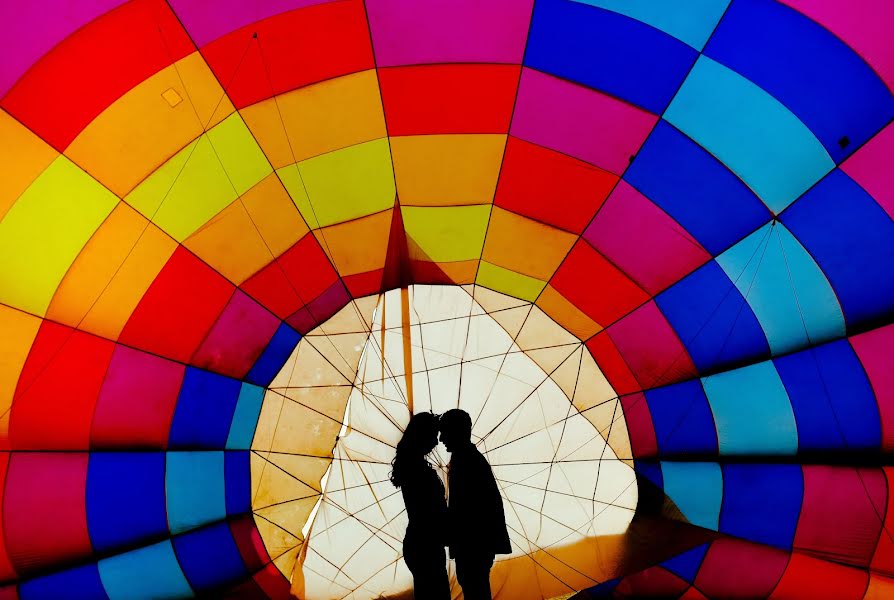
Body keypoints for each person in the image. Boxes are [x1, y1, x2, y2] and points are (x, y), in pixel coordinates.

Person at [439, 409, 511, 600]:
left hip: (472, 544)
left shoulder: (465, 461)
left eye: (444, 432)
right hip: (476, 544)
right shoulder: (467, 458)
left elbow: (464, 510)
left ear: (456, 431)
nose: (440, 439)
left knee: (475, 589)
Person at [391, 412, 451, 600]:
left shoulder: (412, 465)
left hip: (420, 542)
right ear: (422, 436)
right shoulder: (417, 470)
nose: (436, 442)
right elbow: (429, 511)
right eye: (433, 435)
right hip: (427, 544)